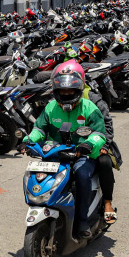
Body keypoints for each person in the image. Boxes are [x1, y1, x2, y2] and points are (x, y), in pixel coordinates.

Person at [25, 65, 108, 238]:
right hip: (55, 153)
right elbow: (39, 129)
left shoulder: (90, 107)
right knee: (38, 176)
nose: (67, 94)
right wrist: (28, 141)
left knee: (82, 175)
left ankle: (82, 221)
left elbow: (100, 133)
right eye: (63, 91)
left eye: (71, 90)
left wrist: (88, 144)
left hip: (82, 155)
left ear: (78, 89)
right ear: (56, 91)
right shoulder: (50, 108)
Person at [58, 60, 119, 224]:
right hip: (65, 145)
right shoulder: (57, 99)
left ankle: (107, 203)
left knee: (104, 162)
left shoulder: (93, 99)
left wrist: (103, 145)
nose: (66, 90)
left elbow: (107, 125)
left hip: (95, 144)